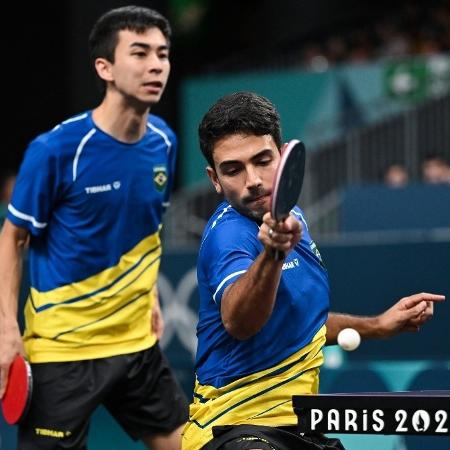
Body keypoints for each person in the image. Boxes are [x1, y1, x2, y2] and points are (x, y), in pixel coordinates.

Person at [181, 92, 445, 450]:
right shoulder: (227, 237)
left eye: (263, 160)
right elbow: (240, 322)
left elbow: (303, 320)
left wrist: (378, 326)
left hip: (300, 427)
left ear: (284, 155)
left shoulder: (293, 216)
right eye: (233, 170)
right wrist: (273, 253)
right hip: (235, 430)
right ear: (214, 179)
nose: (253, 180)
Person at [0, 6, 188, 450]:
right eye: (140, 53)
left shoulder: (164, 141)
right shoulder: (56, 150)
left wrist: (153, 295)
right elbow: (13, 237)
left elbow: (145, 225)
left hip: (137, 344)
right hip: (64, 353)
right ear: (104, 67)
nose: (156, 65)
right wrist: (6, 326)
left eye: (162, 54)